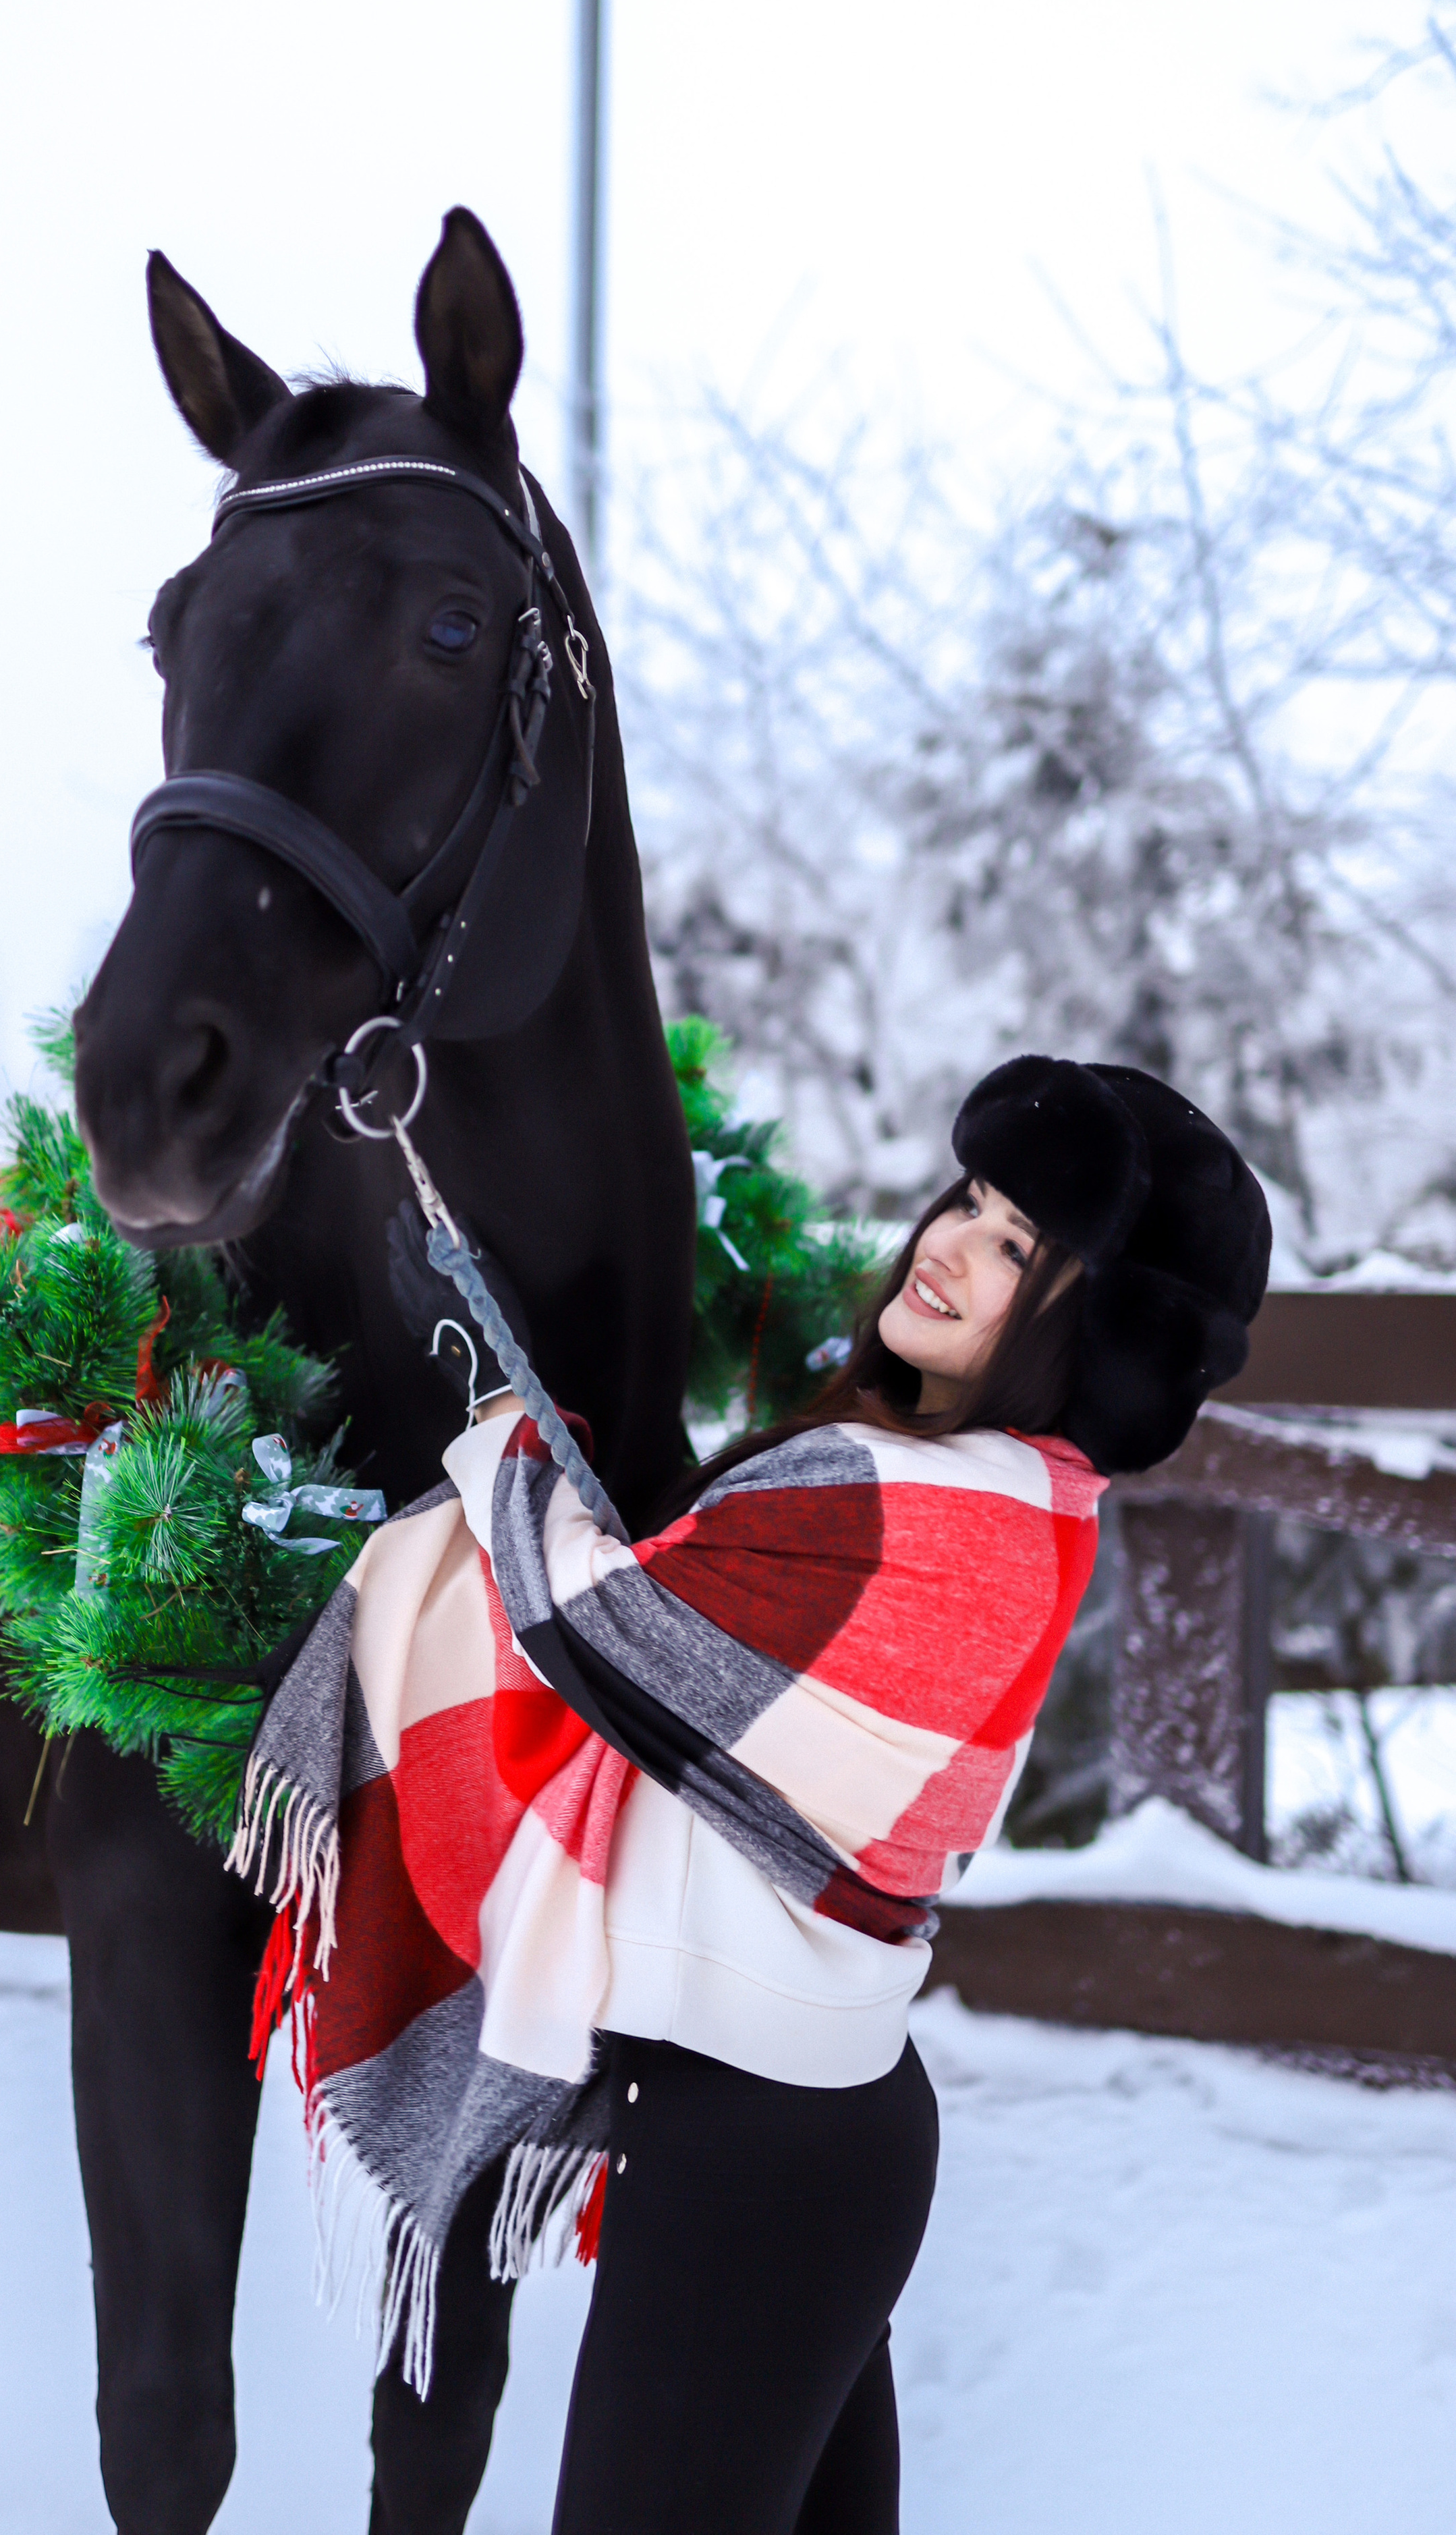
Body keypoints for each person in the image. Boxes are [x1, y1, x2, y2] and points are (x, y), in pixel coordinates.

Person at [231, 1053, 1270, 2535]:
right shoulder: (1002, 1498)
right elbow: (679, 1619)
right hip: (803, 2144)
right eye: (967, 1200)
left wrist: (478, 1389)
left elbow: (602, 1624)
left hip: (759, 2157)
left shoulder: (919, 1509)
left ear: (1093, 1325)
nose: (948, 1245)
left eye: (1018, 1247)